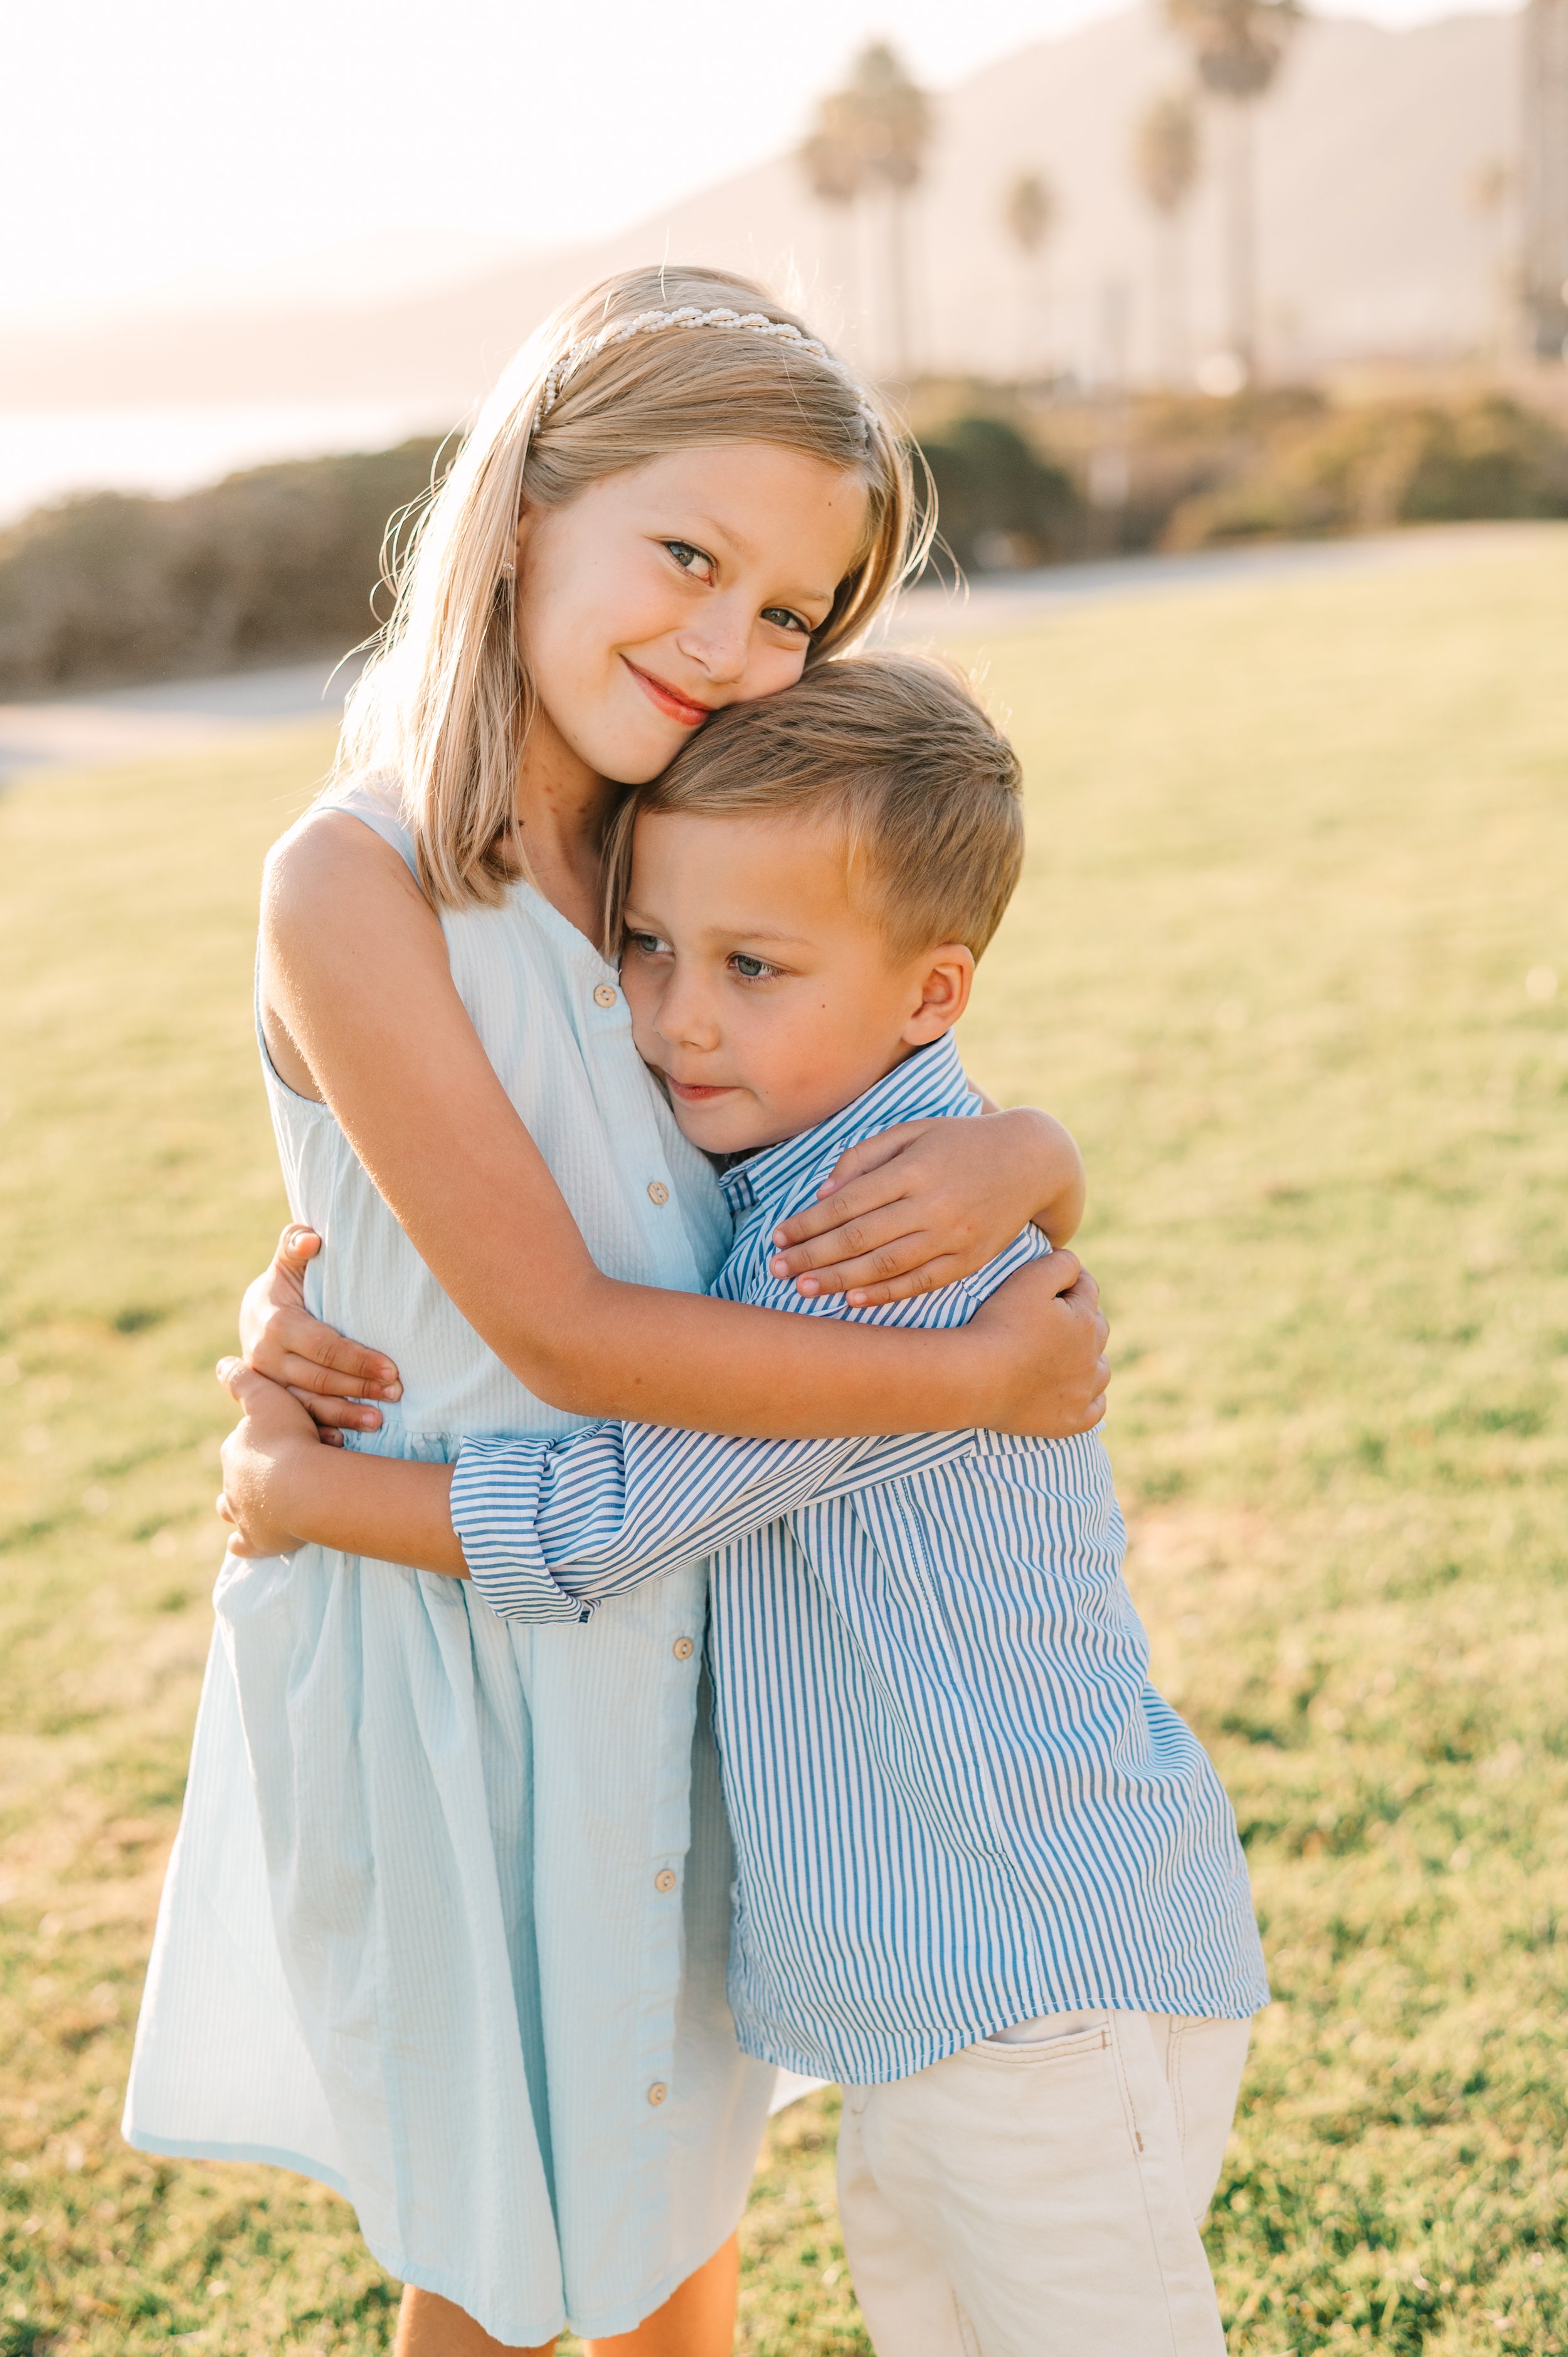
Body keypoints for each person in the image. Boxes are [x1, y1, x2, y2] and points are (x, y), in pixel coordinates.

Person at [123, 267, 1111, 2357]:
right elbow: (560, 1321)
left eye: (791, 613)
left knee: (670, 2210)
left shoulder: (685, 848)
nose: (727, 643)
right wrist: (963, 1378)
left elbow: (849, 1107)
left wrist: (1028, 1157)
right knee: (498, 2258)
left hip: (691, 1621)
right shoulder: (358, 880)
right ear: (524, 511)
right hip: (461, 1647)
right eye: (688, 555)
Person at [217, 651, 1268, 2357]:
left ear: (928, 995)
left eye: (750, 968)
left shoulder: (866, 1242)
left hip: (1041, 1980)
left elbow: (601, 1519)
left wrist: (294, 1488)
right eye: (647, 948)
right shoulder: (790, 1164)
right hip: (940, 1999)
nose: (677, 1018)